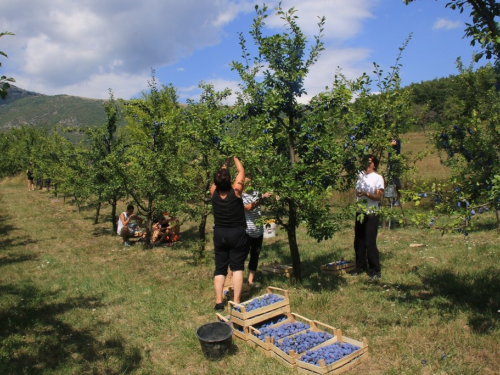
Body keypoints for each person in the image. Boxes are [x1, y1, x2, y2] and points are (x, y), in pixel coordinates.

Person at [211, 156, 248, 311]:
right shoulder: (236, 192)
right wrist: (235, 158)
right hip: (237, 234)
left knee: (220, 269)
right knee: (237, 267)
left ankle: (219, 301)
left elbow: (220, 177)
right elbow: (241, 171)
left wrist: (224, 163)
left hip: (220, 234)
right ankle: (237, 301)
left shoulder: (213, 191)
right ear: (229, 181)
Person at [353, 154, 384, 281]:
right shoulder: (359, 175)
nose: (367, 164)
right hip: (360, 212)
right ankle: (360, 267)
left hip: (372, 212)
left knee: (369, 242)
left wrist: (366, 193)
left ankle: (375, 270)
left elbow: (378, 197)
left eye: (369, 162)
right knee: (358, 241)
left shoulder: (378, 178)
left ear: (374, 164)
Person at [241, 178, 272, 288]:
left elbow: (265, 198)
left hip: (258, 230)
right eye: (247, 182)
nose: (250, 184)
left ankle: (250, 282)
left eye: (250, 181)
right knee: (242, 256)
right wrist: (261, 199)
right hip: (247, 231)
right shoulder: (241, 196)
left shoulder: (256, 193)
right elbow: (247, 208)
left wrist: (273, 196)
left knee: (255, 255)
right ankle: (236, 280)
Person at [387, 138, 402, 206]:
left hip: (396, 164)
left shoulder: (397, 141)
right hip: (390, 164)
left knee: (397, 183)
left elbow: (393, 143)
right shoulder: (389, 141)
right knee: (390, 182)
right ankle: (392, 199)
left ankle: (398, 199)